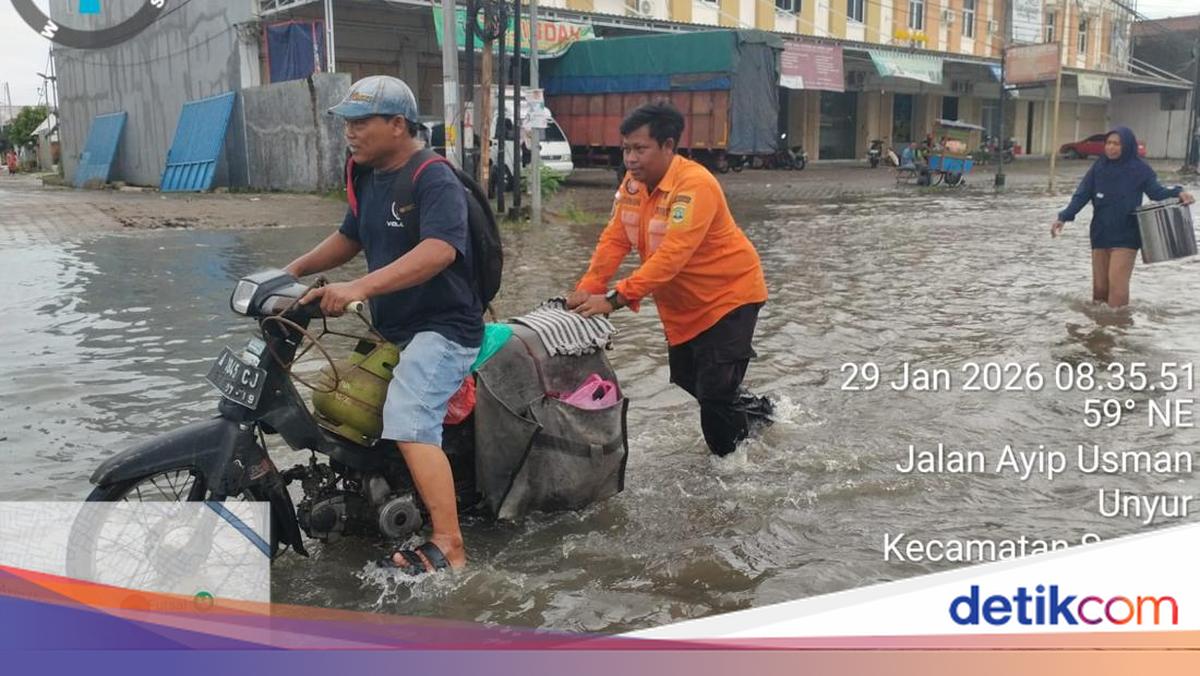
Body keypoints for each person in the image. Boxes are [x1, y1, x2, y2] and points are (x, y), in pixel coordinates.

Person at [284, 76, 482, 574]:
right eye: (346, 123)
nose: (349, 133)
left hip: (443, 328)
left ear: (399, 125)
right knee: (342, 402)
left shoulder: (433, 177)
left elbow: (440, 251)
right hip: (393, 326)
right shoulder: (364, 173)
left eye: (361, 122)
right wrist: (291, 272)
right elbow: (349, 235)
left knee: (409, 417)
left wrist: (358, 288)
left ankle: (449, 545)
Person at [567, 101, 772, 457]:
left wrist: (614, 299)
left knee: (713, 399)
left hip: (729, 297)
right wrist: (588, 288)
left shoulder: (695, 186)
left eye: (640, 149)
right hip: (683, 306)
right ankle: (759, 416)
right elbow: (615, 239)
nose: (630, 159)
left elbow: (672, 256)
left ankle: (730, 476)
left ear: (668, 145)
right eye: (626, 149)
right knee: (687, 378)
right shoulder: (632, 186)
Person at [1051, 127, 1195, 307]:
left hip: (1126, 235)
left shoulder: (1140, 169)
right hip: (1100, 233)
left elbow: (1157, 192)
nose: (1111, 148)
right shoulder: (1099, 167)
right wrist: (1063, 217)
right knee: (1100, 290)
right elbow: (1081, 195)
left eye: (1116, 144)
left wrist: (1179, 192)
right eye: (1109, 143)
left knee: (1117, 288)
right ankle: (1102, 331)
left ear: (1126, 146)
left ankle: (1119, 328)